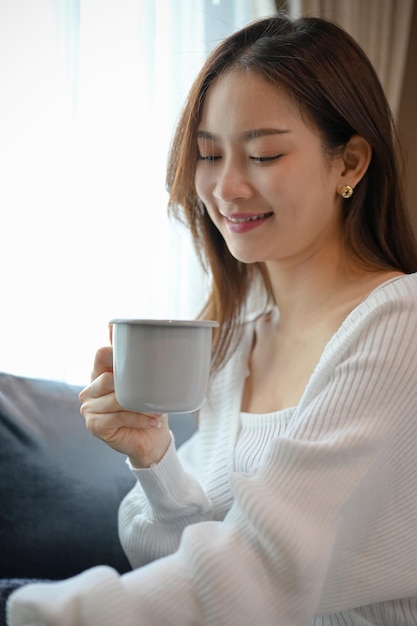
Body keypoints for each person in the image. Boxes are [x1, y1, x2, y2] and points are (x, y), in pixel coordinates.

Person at [7, 12, 417, 626]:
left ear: (350, 164)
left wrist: (35, 613)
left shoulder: (401, 322)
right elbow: (181, 561)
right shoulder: (238, 347)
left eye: (263, 153)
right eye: (208, 154)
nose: (225, 188)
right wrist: (154, 458)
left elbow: (262, 569)